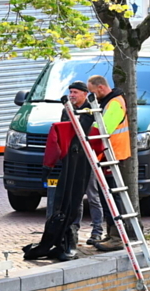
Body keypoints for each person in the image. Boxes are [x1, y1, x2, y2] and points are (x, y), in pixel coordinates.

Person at [45, 81, 103, 248]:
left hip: (87, 157)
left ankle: (97, 230)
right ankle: (73, 229)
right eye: (70, 92)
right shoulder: (67, 109)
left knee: (92, 195)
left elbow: (85, 131)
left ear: (85, 94)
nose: (71, 95)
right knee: (73, 195)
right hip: (71, 157)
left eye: (75, 92)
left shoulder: (91, 109)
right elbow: (64, 132)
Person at [87, 75, 133, 252]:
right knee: (107, 196)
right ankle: (112, 233)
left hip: (112, 155)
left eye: (92, 92)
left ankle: (116, 237)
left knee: (112, 197)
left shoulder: (114, 104)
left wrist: (88, 143)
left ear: (100, 88)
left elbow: (103, 129)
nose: (92, 96)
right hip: (109, 155)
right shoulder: (109, 102)